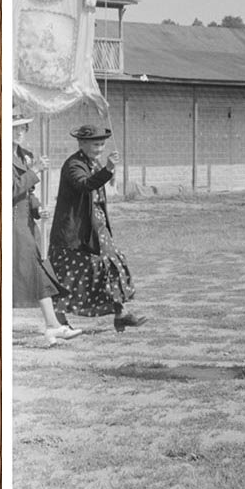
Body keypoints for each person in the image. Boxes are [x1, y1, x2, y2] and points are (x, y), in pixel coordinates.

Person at [48, 122, 146, 332]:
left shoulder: (93, 162)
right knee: (66, 275)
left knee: (111, 263)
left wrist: (108, 170)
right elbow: (85, 185)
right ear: (82, 144)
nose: (100, 149)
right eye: (96, 145)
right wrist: (109, 169)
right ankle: (58, 320)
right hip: (73, 232)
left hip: (95, 226)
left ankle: (121, 313)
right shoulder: (73, 165)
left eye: (102, 145)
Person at [12, 115, 84, 348]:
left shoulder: (23, 155)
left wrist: (37, 209)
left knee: (36, 271)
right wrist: (34, 171)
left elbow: (27, 193)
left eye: (22, 127)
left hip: (25, 224)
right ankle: (52, 325)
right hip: (11, 224)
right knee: (32, 272)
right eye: (13, 128)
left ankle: (52, 326)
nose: (19, 132)